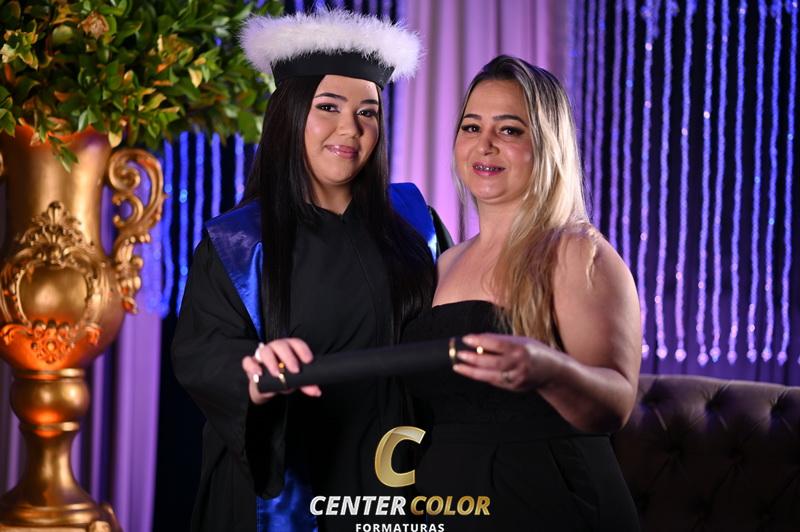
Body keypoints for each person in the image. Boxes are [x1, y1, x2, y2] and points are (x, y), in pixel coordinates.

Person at [172, 10, 450, 532]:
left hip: (399, 479)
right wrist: (255, 371)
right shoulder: (239, 243)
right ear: (290, 113)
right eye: (328, 107)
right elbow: (202, 352)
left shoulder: (418, 223)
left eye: (368, 112)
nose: (351, 128)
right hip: (288, 487)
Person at [401, 55, 642, 531]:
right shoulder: (445, 262)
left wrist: (548, 371)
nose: (485, 144)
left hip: (551, 500)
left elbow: (616, 404)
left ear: (547, 145)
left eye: (509, 130)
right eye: (471, 127)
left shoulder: (577, 251)